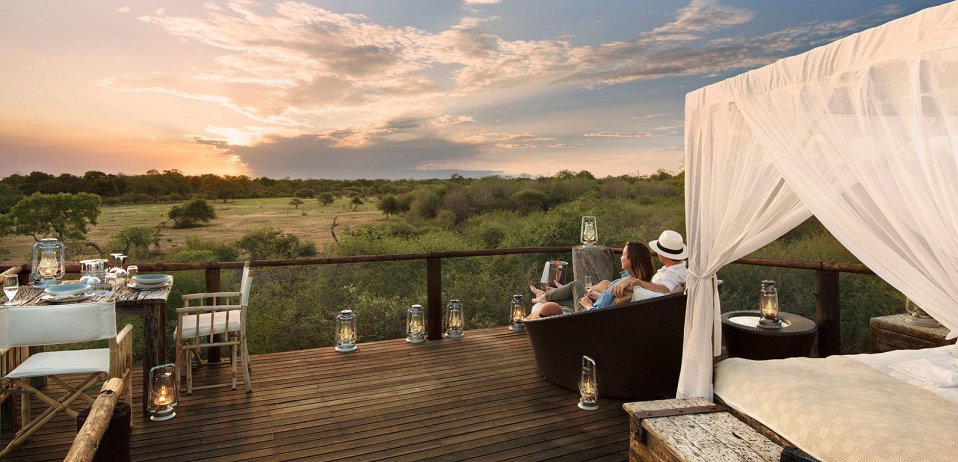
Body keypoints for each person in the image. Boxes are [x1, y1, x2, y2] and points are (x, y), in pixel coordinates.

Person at [532, 240, 655, 317]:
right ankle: (544, 296)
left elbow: (600, 315)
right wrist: (598, 296)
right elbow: (612, 303)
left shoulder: (628, 286)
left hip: (589, 313)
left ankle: (544, 296)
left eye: (623, 254)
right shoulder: (630, 282)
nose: (620, 257)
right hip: (595, 304)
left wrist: (587, 305)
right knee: (570, 296)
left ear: (632, 260)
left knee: (576, 284)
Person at [609, 229, 688, 298]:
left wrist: (632, 280)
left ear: (662, 254)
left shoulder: (675, 273)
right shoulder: (671, 269)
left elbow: (665, 289)